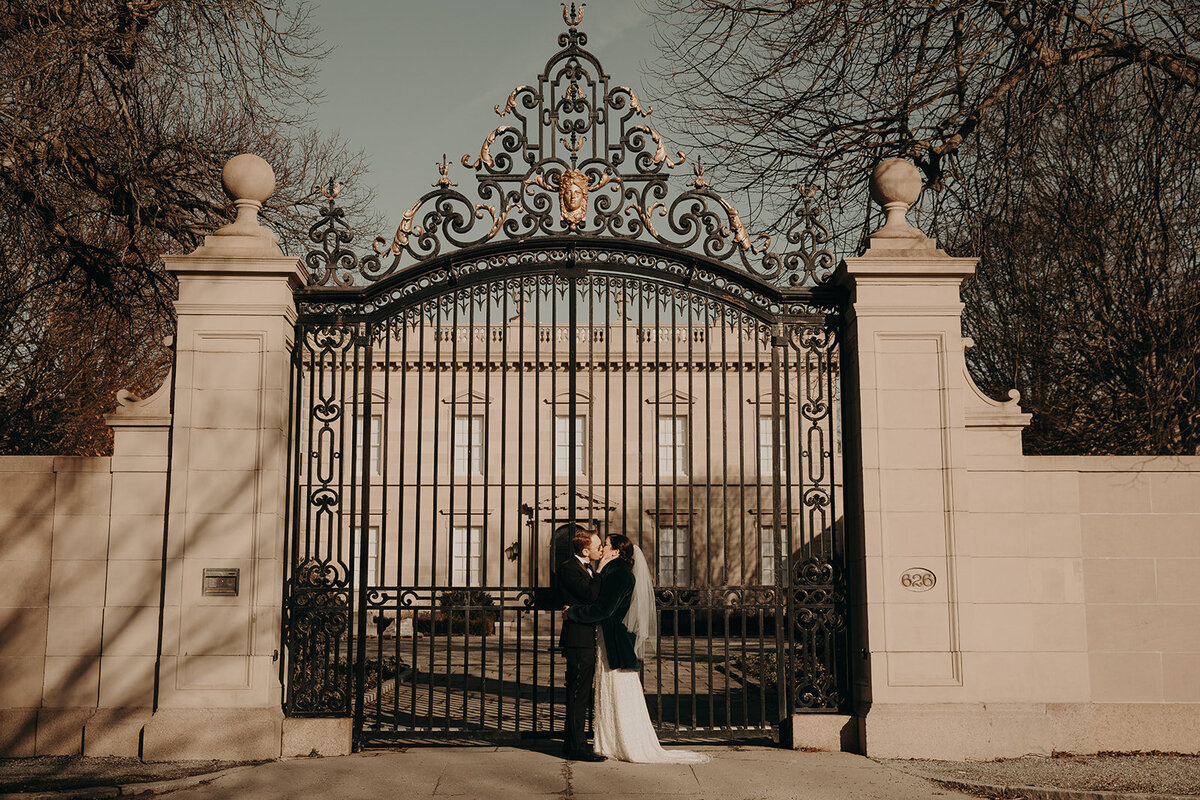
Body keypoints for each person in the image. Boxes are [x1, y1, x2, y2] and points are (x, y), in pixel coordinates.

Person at [565, 534, 710, 764]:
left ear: (615, 552)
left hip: (615, 643)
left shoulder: (619, 575)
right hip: (608, 641)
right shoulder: (613, 572)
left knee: (620, 692)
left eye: (606, 545)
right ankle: (611, 743)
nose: (602, 548)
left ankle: (626, 743)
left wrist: (572, 612)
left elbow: (603, 610)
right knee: (611, 692)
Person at [557, 525, 605, 762]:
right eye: (598, 547)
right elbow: (591, 595)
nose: (601, 550)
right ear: (586, 551)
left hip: (587, 637)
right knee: (579, 693)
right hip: (578, 638)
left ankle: (571, 743)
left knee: (582, 691)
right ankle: (577, 747)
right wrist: (601, 571)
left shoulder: (583, 568)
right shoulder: (568, 568)